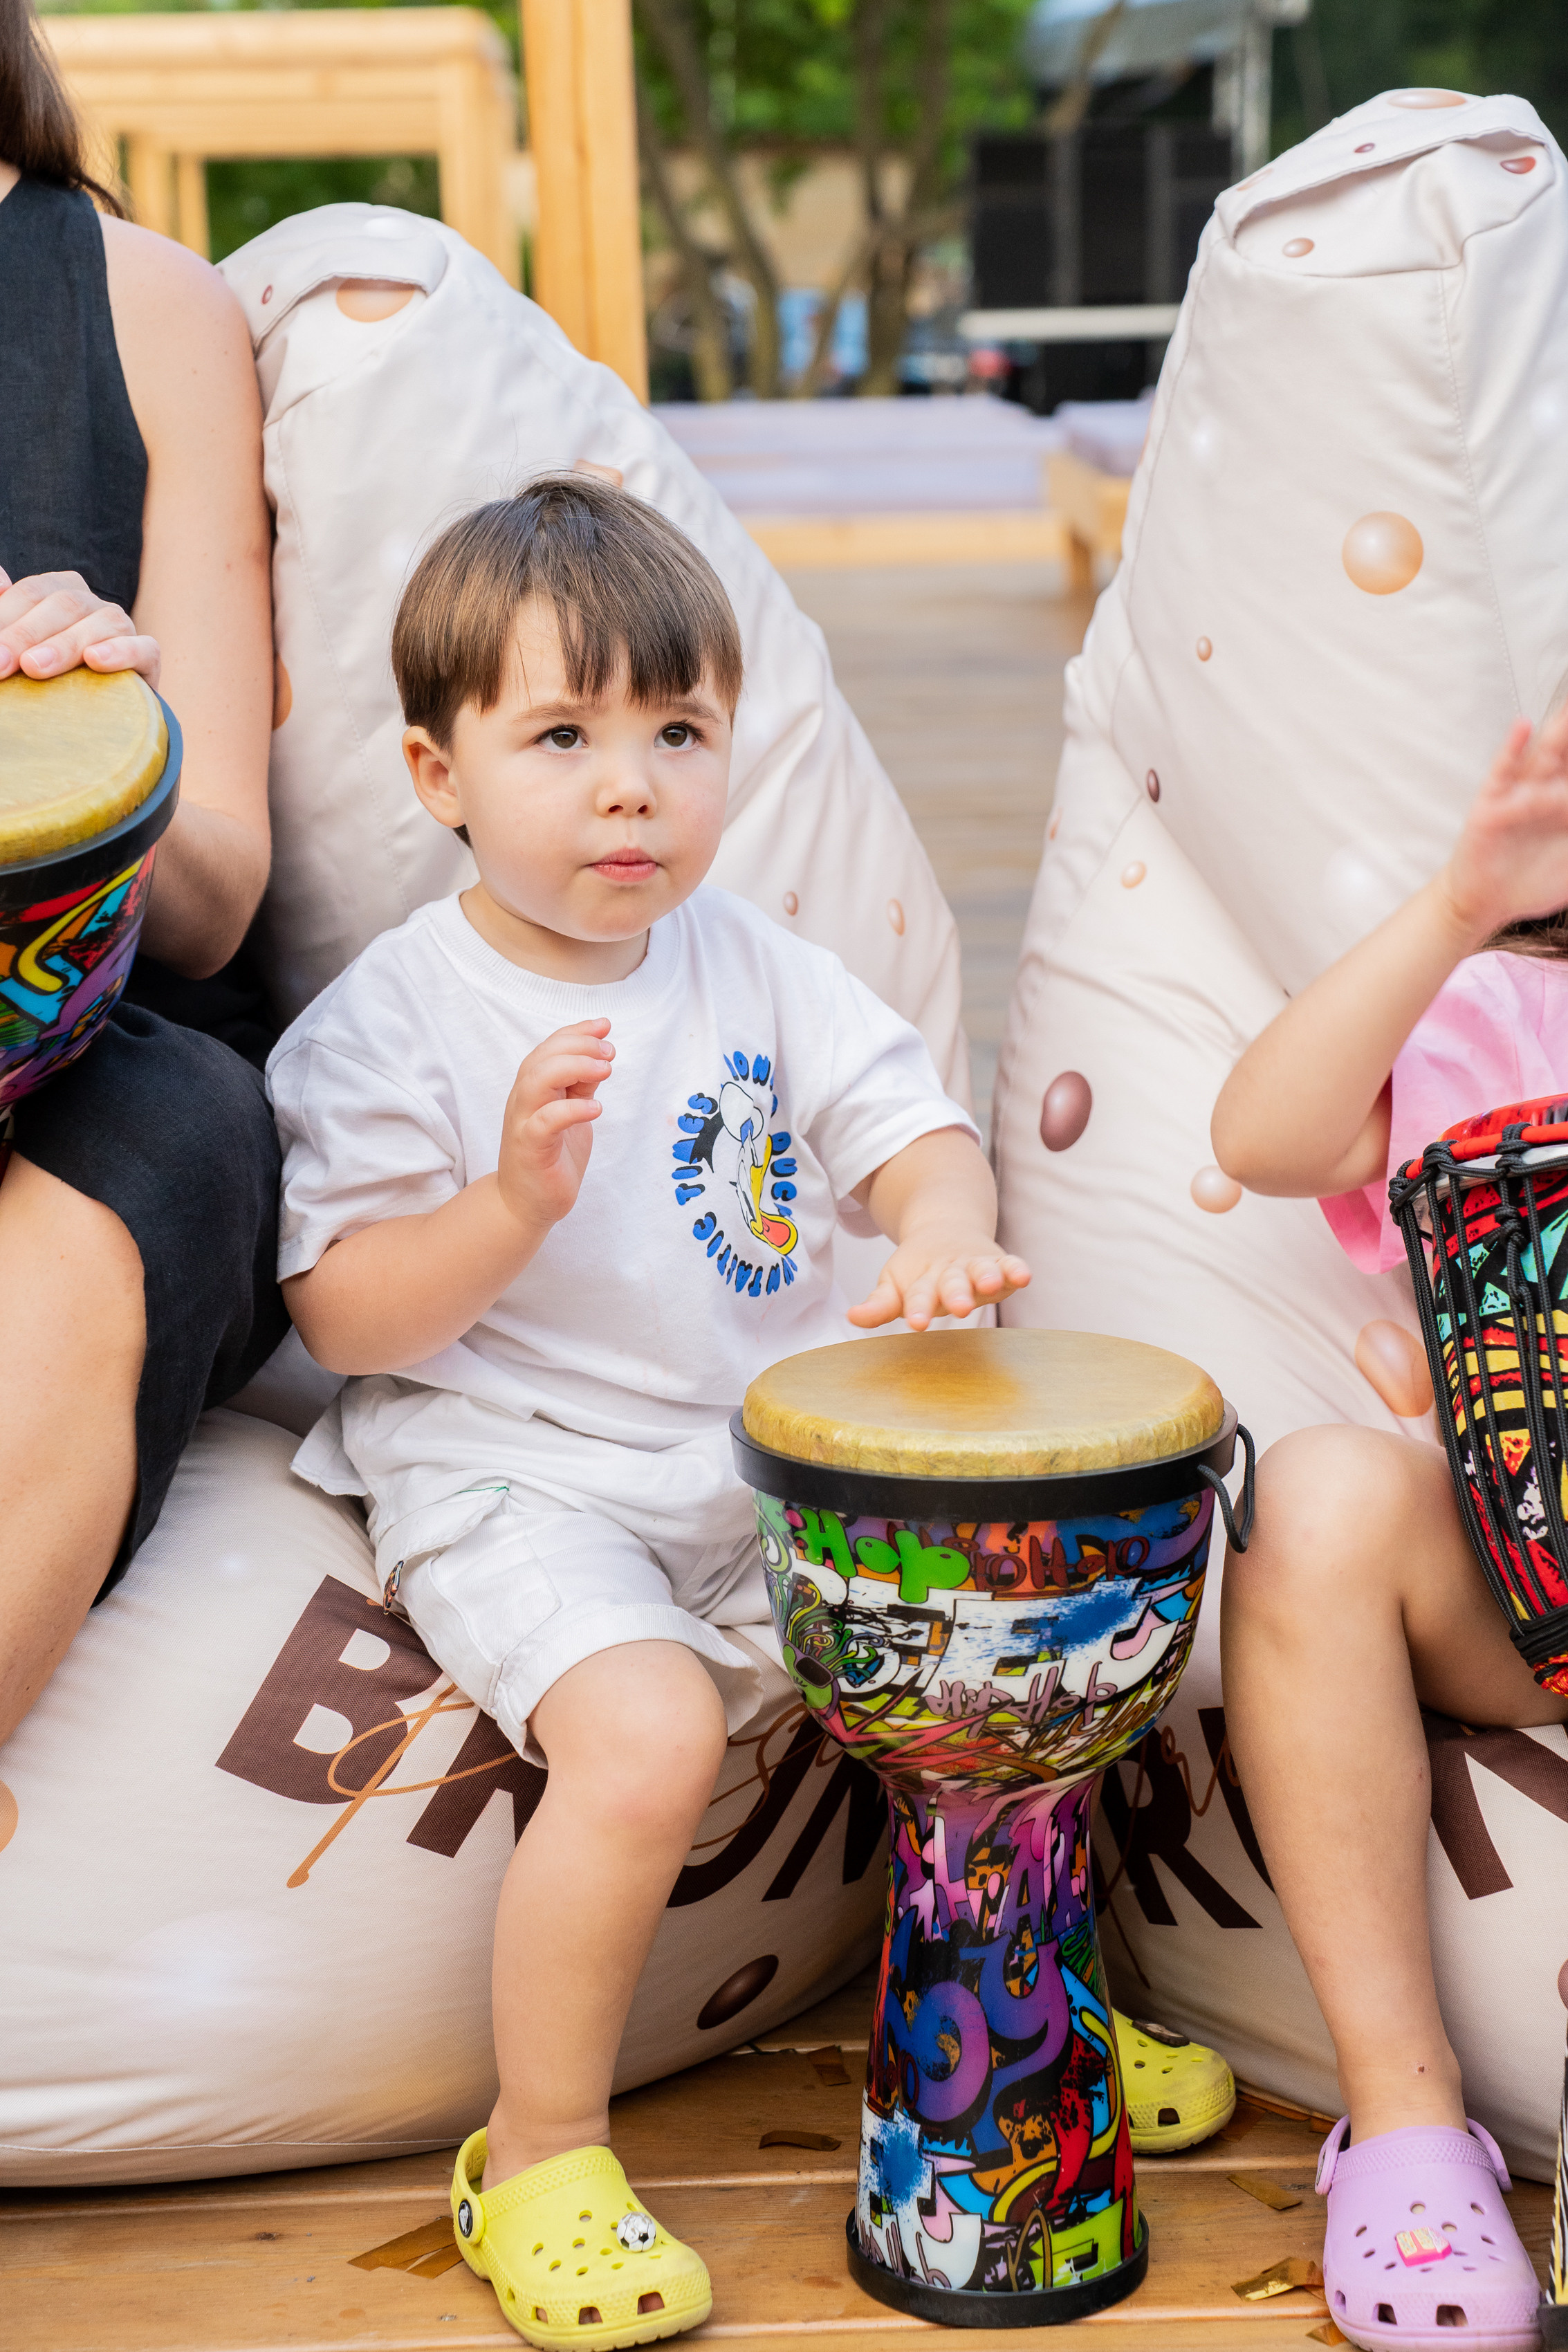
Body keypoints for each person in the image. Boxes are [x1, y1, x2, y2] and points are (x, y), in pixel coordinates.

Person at [270, 475, 1031, 2349]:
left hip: (742, 1461)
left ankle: (1023, 2015)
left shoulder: (754, 962)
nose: (632, 785)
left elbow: (911, 1128)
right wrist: (509, 1205)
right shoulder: (394, 1020)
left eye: (677, 732)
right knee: (642, 1733)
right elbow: (347, 1315)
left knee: (1000, 1660)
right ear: (437, 775)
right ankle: (536, 2148)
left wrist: (938, 1236)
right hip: (508, 1466)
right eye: (563, 736)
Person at [1212, 703, 1568, 2352]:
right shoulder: (1505, 1013)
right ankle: (1413, 2127)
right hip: (1521, 1569)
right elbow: (1263, 1136)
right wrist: (1461, 906)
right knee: (1319, 1498)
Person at [0, 0, 288, 1747]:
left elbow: (220, 897)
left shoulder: (139, 300)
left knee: (140, 1170)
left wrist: (111, 726)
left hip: (104, 1034)